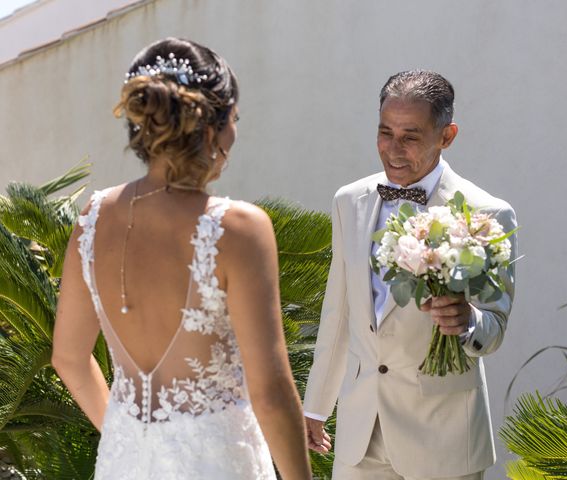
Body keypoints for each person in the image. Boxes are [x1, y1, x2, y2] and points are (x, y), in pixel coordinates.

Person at [52, 37, 312, 480]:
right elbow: (269, 393)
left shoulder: (91, 220)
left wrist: (126, 439)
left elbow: (69, 358)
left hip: (127, 465)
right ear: (211, 127)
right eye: (235, 119)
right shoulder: (239, 229)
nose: (235, 133)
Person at [303, 70, 517, 479]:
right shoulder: (349, 201)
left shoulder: (487, 213)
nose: (393, 149)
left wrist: (467, 320)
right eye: (385, 133)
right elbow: (339, 313)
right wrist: (315, 406)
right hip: (360, 436)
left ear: (447, 135)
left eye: (410, 137)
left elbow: (495, 325)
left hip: (444, 439)